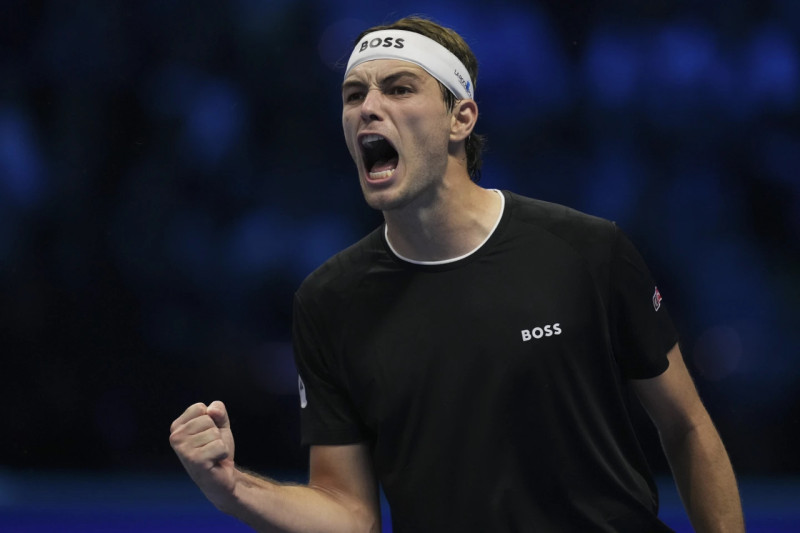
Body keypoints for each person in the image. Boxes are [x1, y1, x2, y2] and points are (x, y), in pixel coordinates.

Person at [169, 15, 745, 532]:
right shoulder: (328, 302)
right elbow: (350, 515)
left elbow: (688, 428)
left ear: (460, 117)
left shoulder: (588, 250)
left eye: (399, 88)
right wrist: (234, 488)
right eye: (353, 94)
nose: (369, 107)